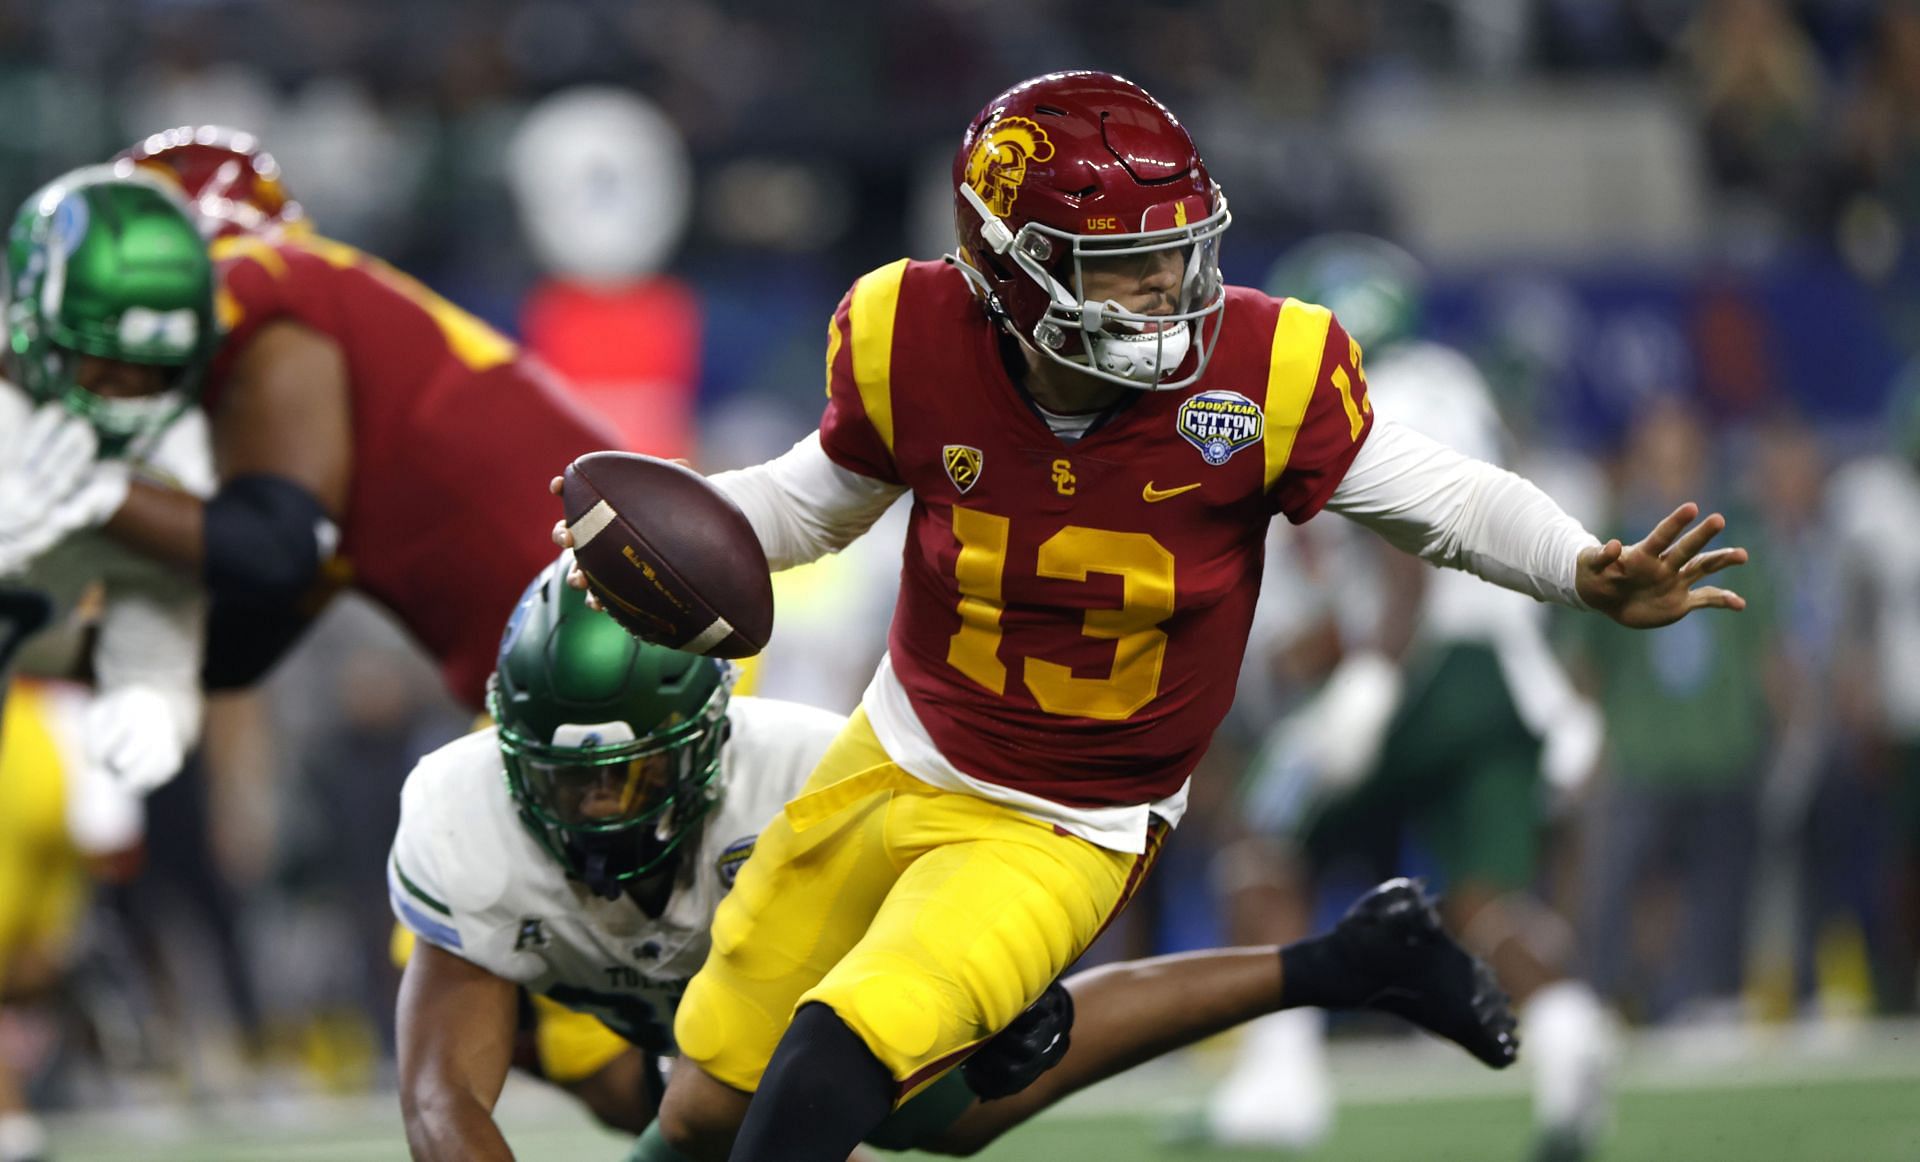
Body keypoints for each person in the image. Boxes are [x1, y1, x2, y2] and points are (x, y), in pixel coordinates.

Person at [553, 70, 1746, 1162]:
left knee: (839, 1051)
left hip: (1066, 820)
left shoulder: (1263, 370)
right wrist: (672, 533)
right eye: (1121, 261)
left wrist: (1579, 565)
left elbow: (1435, 497)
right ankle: (1338, 969)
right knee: (710, 1091)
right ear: (1012, 271)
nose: (1167, 285)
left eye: (1177, 251)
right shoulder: (908, 336)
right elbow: (810, 506)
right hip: (896, 750)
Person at [392, 557, 1520, 1162]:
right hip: (644, 1024)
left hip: (773, 1010)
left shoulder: (802, 779)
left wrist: (1002, 1003)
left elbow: (974, 885)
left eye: (623, 772)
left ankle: (1337, 962)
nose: (592, 805)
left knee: (951, 1110)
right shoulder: (464, 817)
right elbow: (444, 1094)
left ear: (702, 743)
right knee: (674, 1101)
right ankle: (1341, 958)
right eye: (561, 773)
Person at [1209, 235, 1615, 1161]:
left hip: (1423, 671)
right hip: (1508, 681)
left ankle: (1281, 1081)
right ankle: (1568, 1042)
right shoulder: (1464, 388)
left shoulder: (1385, 393)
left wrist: (1368, 679)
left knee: (1261, 838)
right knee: (1488, 902)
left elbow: (1407, 543)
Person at [69, 126, 625, 711]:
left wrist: (72, 483)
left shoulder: (258, 281)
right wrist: (35, 641)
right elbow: (230, 653)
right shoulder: (327, 380)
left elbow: (272, 550)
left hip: (622, 665)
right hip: (616, 658)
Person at [0, 167, 219, 1162]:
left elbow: (155, 602)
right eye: (103, 366)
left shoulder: (170, 446)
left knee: (42, 935)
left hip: (35, 713)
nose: (126, 398)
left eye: (148, 372)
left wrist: (148, 681)